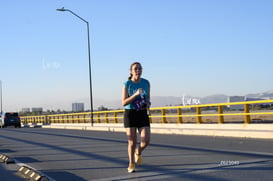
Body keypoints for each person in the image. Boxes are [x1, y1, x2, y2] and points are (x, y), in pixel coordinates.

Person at [122, 62, 151, 173]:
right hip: (130, 113)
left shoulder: (146, 83)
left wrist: (148, 103)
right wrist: (135, 95)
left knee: (146, 140)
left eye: (140, 68)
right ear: (131, 71)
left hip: (142, 113)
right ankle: (131, 163)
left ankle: (138, 152)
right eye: (135, 69)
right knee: (132, 142)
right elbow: (124, 102)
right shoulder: (127, 84)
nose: (138, 70)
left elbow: (147, 98)